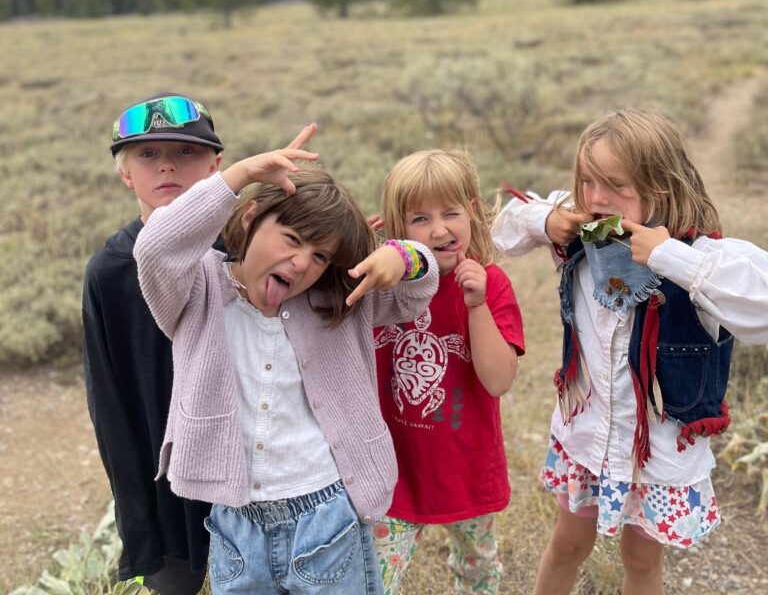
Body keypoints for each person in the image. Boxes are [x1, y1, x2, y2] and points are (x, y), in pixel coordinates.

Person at [132, 123, 439, 595]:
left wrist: (402, 255)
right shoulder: (195, 288)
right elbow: (155, 247)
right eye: (292, 239)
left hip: (329, 512)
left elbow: (419, 285)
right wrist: (234, 178)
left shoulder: (337, 296)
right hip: (237, 522)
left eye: (319, 256)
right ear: (252, 215)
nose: (300, 264)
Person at [492, 107, 768, 595]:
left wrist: (670, 258)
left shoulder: (698, 254)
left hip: (656, 454)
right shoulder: (580, 234)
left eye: (617, 185)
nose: (597, 199)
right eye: (587, 180)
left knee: (641, 561)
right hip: (588, 438)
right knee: (567, 544)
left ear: (660, 185)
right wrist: (547, 218)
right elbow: (506, 228)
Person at [82, 92, 225, 595]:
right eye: (147, 155)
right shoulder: (110, 271)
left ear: (216, 165)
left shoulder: (246, 250)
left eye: (186, 152)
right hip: (162, 477)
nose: (167, 165)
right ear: (125, 174)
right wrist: (136, 509)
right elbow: (108, 401)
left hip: (242, 467)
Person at [371, 149, 525, 595]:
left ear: (473, 213)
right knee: (374, 579)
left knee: (477, 571)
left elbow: (498, 380)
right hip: (394, 472)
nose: (438, 229)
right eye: (420, 219)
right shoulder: (383, 288)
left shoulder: (490, 284)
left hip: (467, 466)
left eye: (451, 213)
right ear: (396, 227)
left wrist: (476, 306)